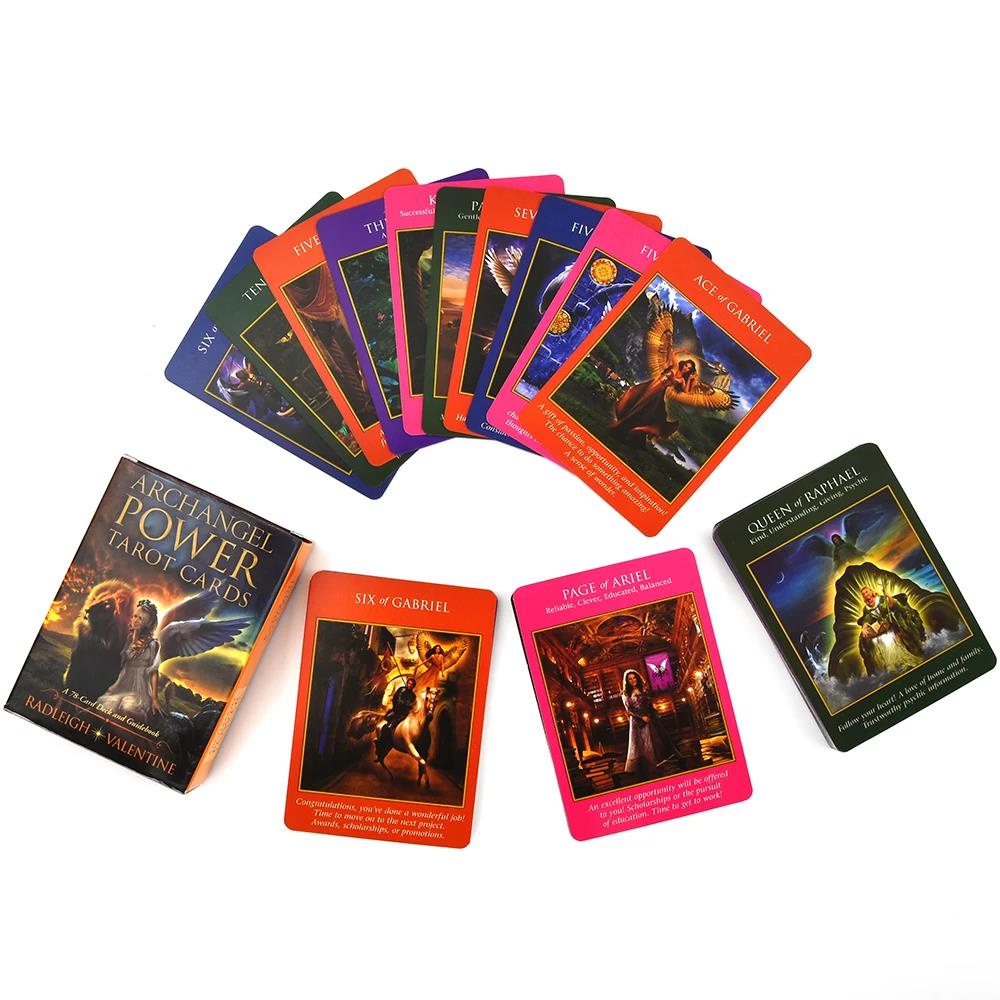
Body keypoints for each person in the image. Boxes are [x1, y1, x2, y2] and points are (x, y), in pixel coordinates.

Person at [97, 599, 162, 722]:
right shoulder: (128, 639)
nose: (135, 620)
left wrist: (155, 698)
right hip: (122, 683)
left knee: (127, 709)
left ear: (147, 624)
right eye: (135, 616)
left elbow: (154, 671)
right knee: (107, 706)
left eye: (140, 619)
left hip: (140, 687)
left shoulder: (153, 644)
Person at [857, 584, 926, 675]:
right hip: (880, 627)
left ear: (871, 591)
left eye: (867, 592)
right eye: (863, 594)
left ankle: (904, 659)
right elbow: (867, 619)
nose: (866, 594)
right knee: (873, 640)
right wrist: (864, 628)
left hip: (892, 623)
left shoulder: (881, 599)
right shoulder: (866, 608)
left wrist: (888, 596)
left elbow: (892, 605)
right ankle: (888, 665)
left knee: (891, 636)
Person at [621, 669, 679, 777]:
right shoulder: (625, 694)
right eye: (630, 679)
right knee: (641, 743)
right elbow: (629, 709)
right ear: (627, 681)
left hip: (649, 717)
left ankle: (658, 763)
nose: (633, 680)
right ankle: (647, 767)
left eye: (634, 678)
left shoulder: (643, 689)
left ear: (637, 678)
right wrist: (641, 716)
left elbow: (648, 704)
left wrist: (652, 713)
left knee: (653, 740)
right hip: (637, 720)